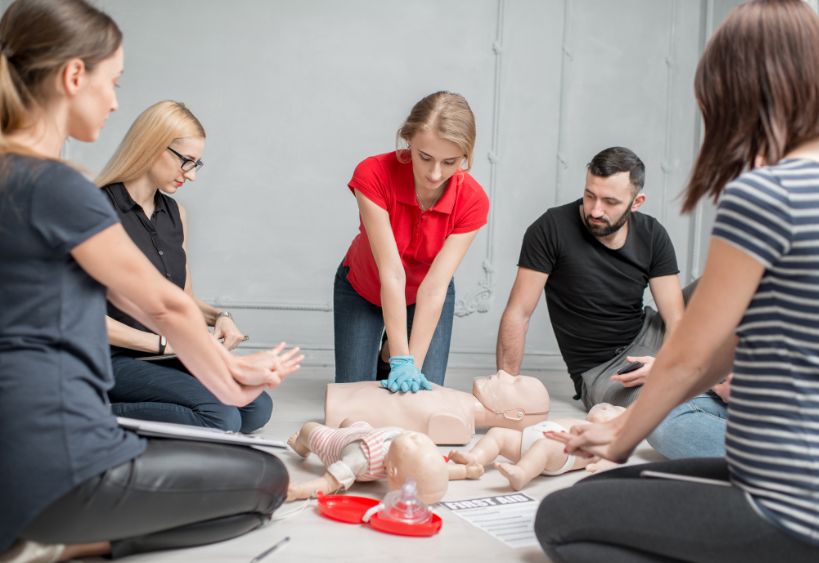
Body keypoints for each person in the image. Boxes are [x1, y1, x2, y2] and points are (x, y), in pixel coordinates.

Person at [0, 1, 301, 560]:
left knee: (239, 422)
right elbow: (163, 305)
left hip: (15, 455)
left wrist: (221, 362)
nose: (115, 101)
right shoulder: (61, 188)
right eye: (112, 81)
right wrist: (232, 375)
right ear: (73, 76)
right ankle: (54, 543)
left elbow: (159, 298)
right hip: (58, 467)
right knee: (267, 479)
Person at [536, 1, 819, 561]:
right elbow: (728, 348)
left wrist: (621, 437)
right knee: (604, 489)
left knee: (561, 516)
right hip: (783, 483)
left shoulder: (768, 194)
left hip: (784, 507)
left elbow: (694, 351)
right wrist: (627, 433)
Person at [496, 146, 728, 458]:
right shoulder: (550, 229)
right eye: (590, 195)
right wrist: (506, 388)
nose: (595, 209)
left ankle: (728, 384)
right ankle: (762, 441)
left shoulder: (652, 234)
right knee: (661, 421)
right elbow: (519, 312)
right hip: (606, 370)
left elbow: (676, 320)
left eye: (610, 201)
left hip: (656, 337)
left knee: (731, 280)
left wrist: (666, 367)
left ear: (637, 202)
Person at [95, 100, 274, 432]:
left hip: (162, 353)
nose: (190, 175)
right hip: (112, 358)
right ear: (152, 145)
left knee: (255, 407)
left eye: (197, 164)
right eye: (186, 162)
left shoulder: (176, 214)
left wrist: (220, 317)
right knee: (221, 416)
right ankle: (88, 412)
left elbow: (183, 297)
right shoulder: (99, 209)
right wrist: (168, 345)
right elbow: (84, 317)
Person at [334, 91, 489, 393]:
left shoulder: (473, 200)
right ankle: (392, 350)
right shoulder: (373, 174)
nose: (435, 173)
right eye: (425, 157)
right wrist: (403, 360)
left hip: (426, 292)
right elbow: (390, 271)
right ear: (408, 140)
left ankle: (390, 349)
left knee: (417, 395)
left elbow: (435, 285)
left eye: (450, 162)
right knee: (354, 398)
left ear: (466, 155)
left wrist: (409, 364)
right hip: (364, 286)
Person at [324, 370, 551, 445]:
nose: (503, 374)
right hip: (351, 399)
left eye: (515, 383)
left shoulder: (458, 423)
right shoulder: (460, 403)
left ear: (514, 414)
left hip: (347, 411)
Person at [286, 420, 482, 503]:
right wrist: (465, 472)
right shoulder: (407, 455)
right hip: (365, 431)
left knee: (309, 429)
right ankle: (347, 424)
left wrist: (298, 492)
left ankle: (300, 445)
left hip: (334, 444)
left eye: (413, 442)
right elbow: (439, 470)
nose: (417, 437)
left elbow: (328, 483)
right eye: (420, 440)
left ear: (393, 472)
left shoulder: (360, 459)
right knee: (350, 420)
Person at [447, 403, 625, 491]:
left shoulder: (605, 438)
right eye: (605, 406)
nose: (605, 406)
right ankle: (475, 457)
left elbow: (613, 457)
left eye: (613, 409)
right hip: (528, 440)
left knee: (545, 446)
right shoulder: (579, 421)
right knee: (497, 433)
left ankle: (522, 474)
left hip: (558, 453)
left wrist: (602, 465)